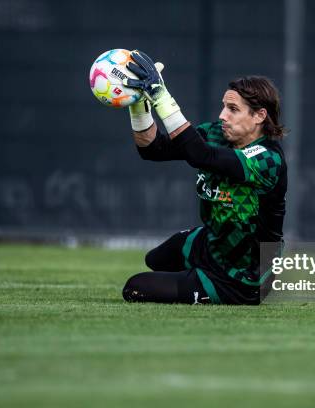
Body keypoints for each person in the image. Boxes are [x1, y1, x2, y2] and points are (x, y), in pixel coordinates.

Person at [121, 50, 287, 305]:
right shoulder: (216, 135)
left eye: (233, 109)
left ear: (259, 116)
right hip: (213, 243)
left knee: (135, 288)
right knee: (156, 259)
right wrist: (138, 103)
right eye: (224, 106)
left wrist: (161, 97)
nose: (222, 115)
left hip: (243, 274)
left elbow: (202, 156)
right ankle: (192, 282)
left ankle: (203, 287)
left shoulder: (267, 159)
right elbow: (151, 149)